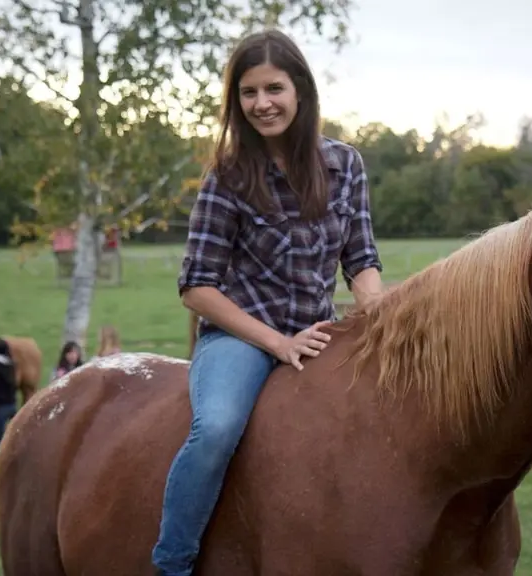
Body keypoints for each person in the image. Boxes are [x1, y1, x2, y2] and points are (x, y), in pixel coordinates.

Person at [152, 28, 384, 576]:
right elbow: (197, 287)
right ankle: (172, 562)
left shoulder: (345, 165)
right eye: (249, 93)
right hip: (242, 337)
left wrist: (381, 315)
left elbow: (361, 260)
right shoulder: (227, 179)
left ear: (300, 89)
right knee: (217, 429)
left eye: (273, 88)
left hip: (320, 332)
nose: (262, 104)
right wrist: (277, 343)